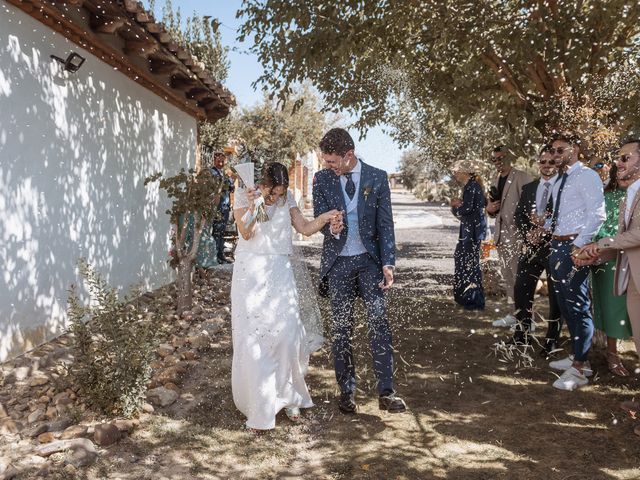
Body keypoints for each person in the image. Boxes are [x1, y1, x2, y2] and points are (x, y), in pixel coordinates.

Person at [231, 162, 339, 432]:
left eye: (281, 193)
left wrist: (323, 218)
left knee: (288, 336)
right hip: (252, 273)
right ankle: (261, 406)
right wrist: (257, 204)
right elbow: (247, 232)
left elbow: (303, 227)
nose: (276, 199)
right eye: (272, 193)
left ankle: (289, 396)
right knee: (255, 340)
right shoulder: (244, 194)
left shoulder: (286, 199)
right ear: (263, 184)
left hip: (280, 271)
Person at [313, 127, 407, 414]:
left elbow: (385, 225)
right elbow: (319, 218)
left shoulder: (377, 178)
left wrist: (388, 264)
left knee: (379, 324)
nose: (327, 166)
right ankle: (347, 391)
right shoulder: (321, 179)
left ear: (348, 155)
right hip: (338, 263)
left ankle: (386, 393)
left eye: (332, 161)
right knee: (341, 329)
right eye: (325, 160)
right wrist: (331, 226)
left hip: (370, 262)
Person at [544, 132, 605, 391]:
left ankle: (580, 368)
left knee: (578, 305)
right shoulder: (560, 179)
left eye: (560, 150)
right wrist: (544, 227)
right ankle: (578, 356)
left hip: (574, 247)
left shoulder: (587, 176)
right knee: (565, 304)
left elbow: (597, 214)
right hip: (557, 245)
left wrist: (579, 245)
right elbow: (562, 215)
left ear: (576, 149)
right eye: (553, 151)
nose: (555, 155)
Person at [577, 138, 640, 367]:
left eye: (626, 158)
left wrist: (601, 244)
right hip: (621, 269)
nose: (618, 163)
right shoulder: (617, 196)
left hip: (633, 268)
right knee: (624, 320)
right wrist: (595, 253)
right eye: (618, 159)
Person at [511, 146, 562, 353]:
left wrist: (545, 231)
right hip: (530, 248)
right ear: (538, 163)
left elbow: (565, 216)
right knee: (521, 291)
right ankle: (521, 336)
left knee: (556, 297)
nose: (547, 165)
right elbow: (519, 216)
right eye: (543, 161)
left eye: (551, 162)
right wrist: (528, 234)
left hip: (554, 248)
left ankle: (552, 341)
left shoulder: (564, 188)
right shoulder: (529, 188)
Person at [589, 162, 631, 376]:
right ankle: (612, 353)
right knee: (613, 307)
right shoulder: (606, 197)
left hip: (634, 258)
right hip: (610, 260)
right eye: (619, 175)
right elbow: (599, 229)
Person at [486, 146, 533, 327]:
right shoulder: (494, 178)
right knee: (509, 279)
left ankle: (527, 320)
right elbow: (493, 208)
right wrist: (489, 210)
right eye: (494, 159)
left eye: (501, 158)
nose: (497, 162)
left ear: (509, 157)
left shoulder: (522, 177)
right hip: (500, 236)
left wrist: (525, 235)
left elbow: (530, 207)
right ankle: (513, 316)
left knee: (521, 280)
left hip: (518, 237)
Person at [450, 159, 487, 310]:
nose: (455, 174)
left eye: (456, 171)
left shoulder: (471, 187)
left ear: (465, 172)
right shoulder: (471, 186)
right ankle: (467, 297)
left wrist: (455, 208)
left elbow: (467, 209)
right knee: (466, 263)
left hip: (471, 233)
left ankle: (474, 300)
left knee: (470, 265)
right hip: (471, 232)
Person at [210, 151, 235, 264]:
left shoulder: (224, 173)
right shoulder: (212, 172)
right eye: (218, 160)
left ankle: (221, 255)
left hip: (225, 206)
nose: (221, 162)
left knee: (221, 232)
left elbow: (231, 187)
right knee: (216, 232)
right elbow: (215, 187)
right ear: (214, 160)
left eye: (222, 160)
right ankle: (215, 256)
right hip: (217, 207)